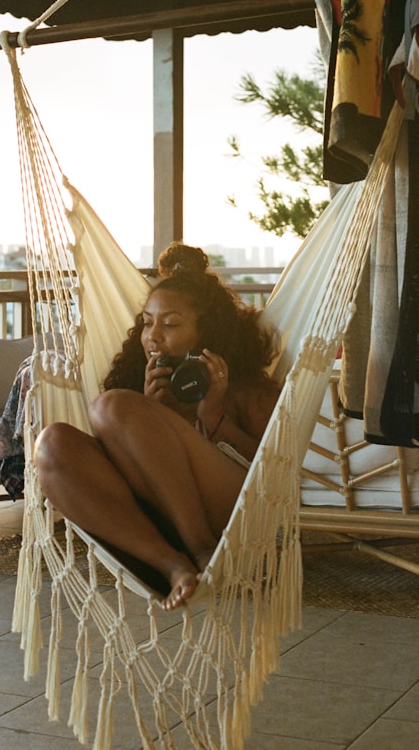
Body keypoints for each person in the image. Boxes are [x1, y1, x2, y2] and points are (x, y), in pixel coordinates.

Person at [34, 243, 281, 611]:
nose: (153, 336)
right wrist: (151, 412)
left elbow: (277, 473)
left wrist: (213, 417)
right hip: (152, 521)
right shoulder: (139, 385)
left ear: (207, 332)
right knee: (52, 443)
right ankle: (172, 564)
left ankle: (201, 549)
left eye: (170, 324)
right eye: (148, 323)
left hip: (230, 517)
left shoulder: (246, 388)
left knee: (112, 406)